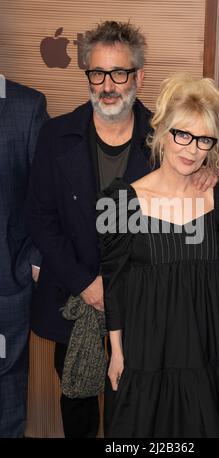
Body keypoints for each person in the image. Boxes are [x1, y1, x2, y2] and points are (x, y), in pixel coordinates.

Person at [25, 21, 216, 438]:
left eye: (120, 73)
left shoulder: (165, 139)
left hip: (144, 308)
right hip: (74, 300)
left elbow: (192, 174)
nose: (108, 85)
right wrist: (86, 284)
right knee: (77, 406)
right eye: (98, 73)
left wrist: (207, 175)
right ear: (88, 76)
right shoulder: (56, 136)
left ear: (139, 77)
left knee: (132, 412)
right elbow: (40, 219)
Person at [98, 73, 219, 438]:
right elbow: (114, 283)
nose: (191, 149)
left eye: (203, 139)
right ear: (161, 131)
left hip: (204, 348)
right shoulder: (122, 202)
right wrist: (116, 351)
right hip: (145, 352)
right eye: (182, 134)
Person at [0, 78, 48, 437]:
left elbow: (45, 193)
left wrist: (32, 259)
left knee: (7, 398)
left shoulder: (26, 106)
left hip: (6, 284)